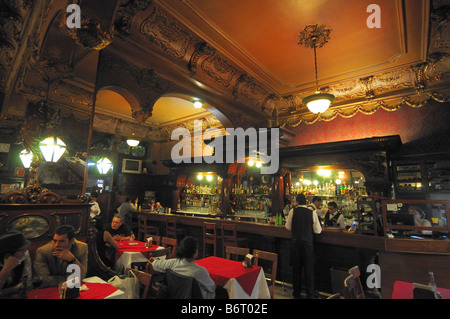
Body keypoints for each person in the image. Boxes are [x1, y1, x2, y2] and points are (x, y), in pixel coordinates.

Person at [149, 236, 216, 299]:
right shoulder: (200, 271)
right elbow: (212, 288)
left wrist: (156, 260)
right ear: (195, 252)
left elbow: (155, 264)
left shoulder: (172, 263)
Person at [285, 194, 322, 299]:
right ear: (306, 202)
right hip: (307, 244)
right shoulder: (312, 213)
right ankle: (310, 295)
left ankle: (296, 294)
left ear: (296, 202)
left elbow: (288, 227)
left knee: (296, 270)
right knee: (309, 271)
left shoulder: (293, 211)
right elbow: (318, 231)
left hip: (296, 243)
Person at [0, 232, 32, 298]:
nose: (25, 252)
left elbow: (27, 283)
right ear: (8, 255)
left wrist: (3, 292)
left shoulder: (25, 255)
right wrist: (6, 270)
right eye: (21, 250)